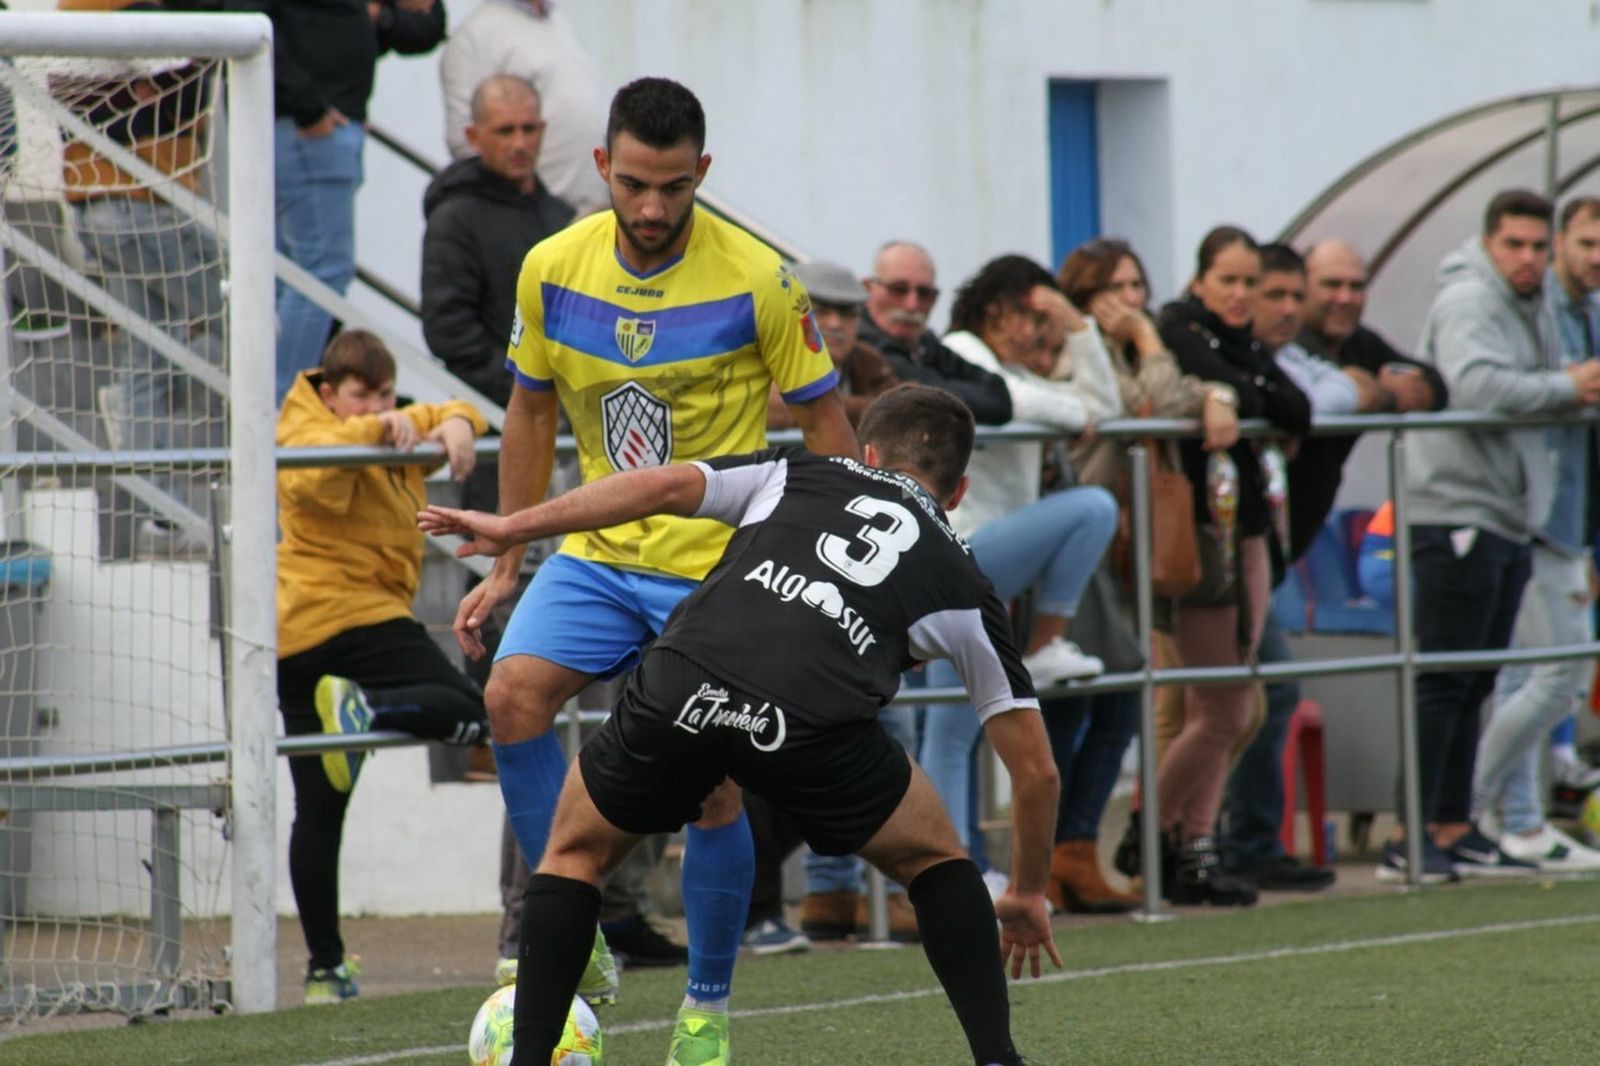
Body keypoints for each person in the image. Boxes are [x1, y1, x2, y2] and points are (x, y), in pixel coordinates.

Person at [420, 384, 1062, 1066]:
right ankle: (998, 1059)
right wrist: (1024, 891)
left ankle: (528, 1060)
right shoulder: (965, 583)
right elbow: (1036, 773)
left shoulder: (798, 468)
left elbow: (663, 485)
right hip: (811, 725)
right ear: (958, 491)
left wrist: (513, 527)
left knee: (574, 851)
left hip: (687, 680)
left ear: (867, 452)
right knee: (935, 862)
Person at [453, 77, 857, 1059]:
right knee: (510, 695)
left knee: (710, 787)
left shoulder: (761, 277)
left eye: (673, 188)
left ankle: (706, 1009)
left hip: (711, 569)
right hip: (596, 555)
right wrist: (507, 552)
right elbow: (531, 412)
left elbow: (828, 427)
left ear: (701, 176)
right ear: (601, 167)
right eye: (633, 183)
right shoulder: (551, 267)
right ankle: (574, 922)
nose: (650, 208)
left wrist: (835, 563)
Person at [276, 330, 490, 1003]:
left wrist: (453, 421)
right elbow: (313, 478)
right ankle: (372, 713)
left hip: (304, 634)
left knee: (319, 806)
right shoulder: (302, 423)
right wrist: (382, 425)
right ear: (330, 391)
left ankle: (325, 972)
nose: (374, 405)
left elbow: (463, 407)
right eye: (359, 396)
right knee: (473, 712)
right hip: (346, 617)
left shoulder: (382, 417)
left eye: (383, 393)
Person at [1393, 188, 1600, 883]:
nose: (1529, 259)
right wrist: (1565, 387)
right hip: (1457, 508)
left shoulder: (1531, 302)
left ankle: (1457, 826)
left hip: (1507, 514)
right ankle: (1415, 834)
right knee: (1448, 680)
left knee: (1477, 677)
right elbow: (1474, 386)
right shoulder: (1469, 300)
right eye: (1515, 244)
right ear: (1487, 243)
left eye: (1537, 247)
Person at [918, 254, 1120, 888]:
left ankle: (956, 873)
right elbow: (1040, 408)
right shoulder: (960, 350)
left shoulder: (1009, 369)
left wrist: (1080, 331)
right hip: (963, 551)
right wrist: (1060, 406)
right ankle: (1047, 643)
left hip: (979, 566)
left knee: (951, 727)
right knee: (1092, 506)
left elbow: (1101, 407)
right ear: (995, 308)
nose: (1044, 333)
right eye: (1036, 316)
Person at [1057, 236, 1240, 911]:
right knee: (1080, 704)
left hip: (1128, 545)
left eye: (1138, 288)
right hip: (1084, 540)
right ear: (1084, 298)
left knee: (1123, 699)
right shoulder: (1085, 350)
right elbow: (1151, 405)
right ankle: (1061, 853)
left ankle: (1079, 850)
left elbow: (1188, 394)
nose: (1132, 302)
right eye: (1116, 289)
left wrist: (1217, 391)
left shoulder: (1134, 348)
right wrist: (1147, 340)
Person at [1156, 225, 1311, 906]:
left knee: (1231, 706)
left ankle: (1192, 849)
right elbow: (1251, 398)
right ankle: (1149, 834)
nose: (1243, 294)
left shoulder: (1238, 341)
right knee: (1223, 706)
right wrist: (1236, 390)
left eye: (1252, 282)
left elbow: (1291, 404)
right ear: (1200, 280)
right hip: (1198, 536)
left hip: (1246, 532)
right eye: (1231, 280)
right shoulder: (1180, 325)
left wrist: (1239, 387)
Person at [58, 0, 223, 556]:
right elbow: (183, 53)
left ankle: (162, 511)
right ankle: (275, 473)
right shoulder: (105, 9)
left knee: (151, 354)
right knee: (253, 321)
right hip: (136, 206)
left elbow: (176, 67)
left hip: (109, 206)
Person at [1470, 196, 1600, 872]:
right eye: (1585, 242)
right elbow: (1490, 386)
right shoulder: (1538, 307)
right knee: (1554, 676)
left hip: (1571, 520)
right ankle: (1476, 812)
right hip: (1532, 516)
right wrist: (1566, 384)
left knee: (1538, 677)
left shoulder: (1588, 310)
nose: (1595, 256)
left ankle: (1514, 823)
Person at [229, 0, 447, 400]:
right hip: (305, 127)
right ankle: (281, 412)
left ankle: (275, 411)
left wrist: (381, 18)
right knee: (319, 273)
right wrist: (311, 109)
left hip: (318, 126)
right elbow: (245, 18)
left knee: (293, 276)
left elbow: (428, 24)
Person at [1290, 238, 1448, 561]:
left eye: (1357, 287)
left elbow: (1437, 386)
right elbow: (1339, 390)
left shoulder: (1360, 342)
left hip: (1307, 515)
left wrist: (1384, 394)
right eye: (1331, 285)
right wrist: (1389, 394)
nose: (1345, 298)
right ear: (1301, 286)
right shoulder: (1285, 340)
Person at [439, 0, 608, 214]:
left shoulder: (557, 23)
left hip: (588, 213)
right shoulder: (475, 36)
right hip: (531, 220)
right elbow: (466, 144)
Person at [857, 240, 1014, 425]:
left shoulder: (925, 343)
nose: (912, 305)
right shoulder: (858, 345)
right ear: (867, 288)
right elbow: (935, 400)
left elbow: (1000, 398)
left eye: (924, 293)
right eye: (898, 289)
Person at [767, 259, 899, 428]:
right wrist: (869, 411)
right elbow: (778, 408)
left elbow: (900, 411)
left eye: (847, 313)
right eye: (820, 311)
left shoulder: (868, 362)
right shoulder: (766, 359)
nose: (835, 323)